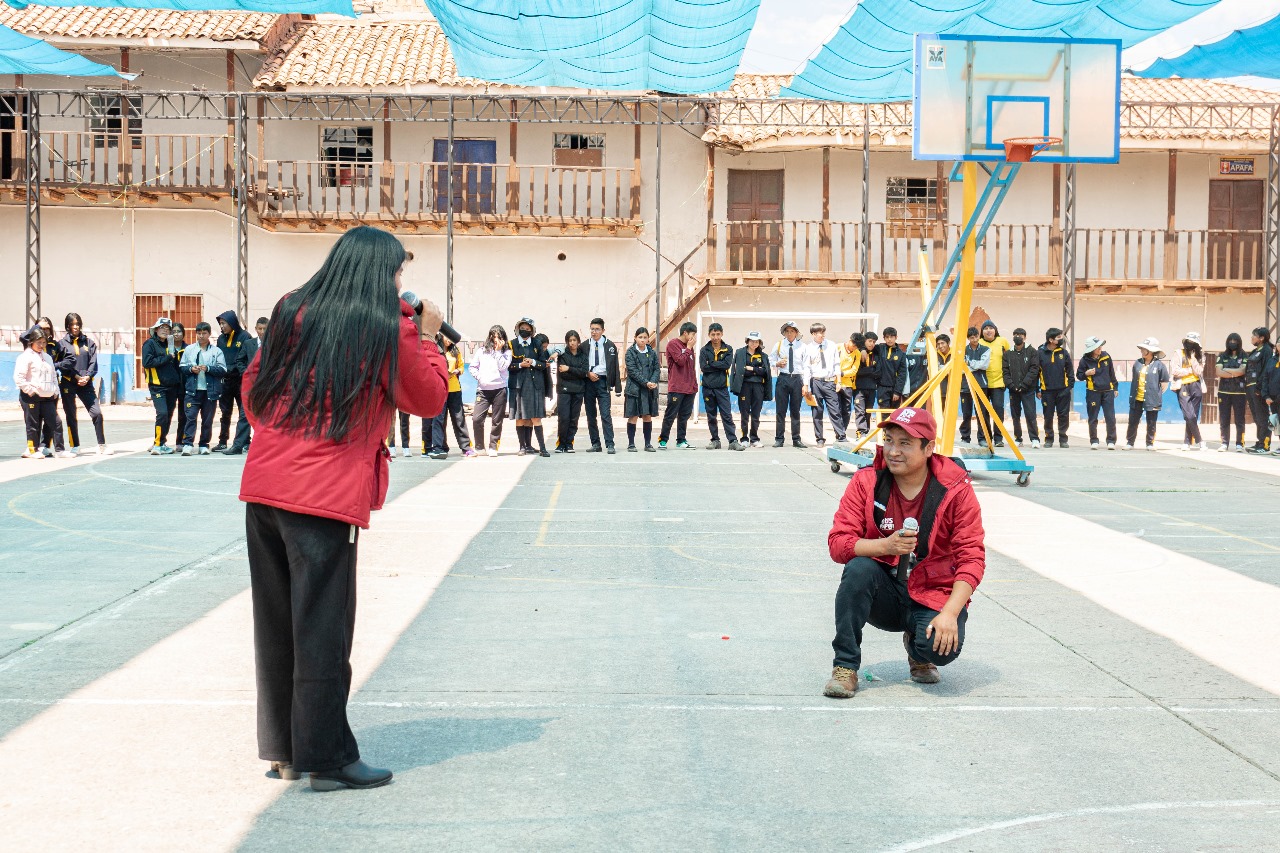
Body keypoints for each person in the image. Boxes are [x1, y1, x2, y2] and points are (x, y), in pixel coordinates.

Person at [240, 225, 448, 792]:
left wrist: (286, 441)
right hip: (324, 498)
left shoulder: (290, 309)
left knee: (278, 624)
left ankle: (285, 749)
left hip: (265, 486)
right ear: (381, 273)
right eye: (398, 271)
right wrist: (426, 335)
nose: (401, 281)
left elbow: (252, 389)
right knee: (323, 632)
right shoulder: (387, 328)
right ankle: (327, 758)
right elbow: (428, 399)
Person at [823, 406, 985, 699]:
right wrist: (884, 547)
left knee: (939, 648)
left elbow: (971, 556)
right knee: (858, 569)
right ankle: (845, 666)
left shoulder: (956, 489)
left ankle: (918, 649)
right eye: (889, 440)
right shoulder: (867, 482)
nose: (893, 451)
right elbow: (838, 542)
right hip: (885, 592)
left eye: (905, 443)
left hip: (932, 590)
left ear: (929, 449)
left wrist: (950, 613)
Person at [55, 313, 110, 456]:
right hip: (68, 382)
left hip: (86, 383)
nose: (75, 326)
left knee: (96, 412)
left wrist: (87, 376)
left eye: (78, 324)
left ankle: (102, 445)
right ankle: (75, 445)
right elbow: (62, 365)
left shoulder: (89, 343)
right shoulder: (61, 344)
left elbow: (93, 363)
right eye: (72, 324)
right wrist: (75, 375)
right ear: (67, 326)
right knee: (71, 414)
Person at [179, 322, 228, 456]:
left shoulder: (216, 351)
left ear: (209, 334)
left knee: (207, 420)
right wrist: (191, 369)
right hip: (192, 390)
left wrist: (209, 368)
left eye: (204, 333)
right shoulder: (189, 349)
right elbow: (182, 367)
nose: (201, 336)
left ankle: (204, 444)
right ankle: (188, 444)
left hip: (210, 391)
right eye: (199, 333)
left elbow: (223, 369)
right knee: (190, 417)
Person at [14, 325, 59, 459]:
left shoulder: (46, 357)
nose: (41, 345)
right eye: (38, 342)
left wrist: (55, 390)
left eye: (44, 342)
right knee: (32, 424)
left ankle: (48, 448)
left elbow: (53, 376)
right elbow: (19, 378)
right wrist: (31, 391)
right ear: (31, 342)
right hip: (30, 396)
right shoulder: (25, 357)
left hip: (45, 396)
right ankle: (31, 450)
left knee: (53, 421)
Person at [225, 317, 269, 456]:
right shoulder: (249, 344)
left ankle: (264, 446)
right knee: (245, 415)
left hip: (268, 387)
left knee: (267, 417)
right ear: (255, 329)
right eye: (260, 329)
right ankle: (238, 445)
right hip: (251, 386)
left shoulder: (275, 344)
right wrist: (248, 374)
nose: (262, 331)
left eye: (265, 329)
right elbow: (240, 360)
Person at [142, 316, 183, 455]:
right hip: (157, 386)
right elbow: (147, 362)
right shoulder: (149, 344)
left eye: (167, 328)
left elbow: (175, 364)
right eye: (162, 327)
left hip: (172, 386)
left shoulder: (170, 345)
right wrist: (167, 357)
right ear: (156, 329)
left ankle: (161, 441)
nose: (165, 330)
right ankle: (158, 445)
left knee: (169, 415)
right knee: (162, 413)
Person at [508, 317, 549, 458]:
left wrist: (533, 362)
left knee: (536, 417)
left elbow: (543, 364)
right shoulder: (511, 344)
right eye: (522, 328)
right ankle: (522, 447)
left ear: (532, 331)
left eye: (527, 329)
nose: (524, 331)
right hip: (519, 385)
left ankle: (543, 448)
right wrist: (520, 365)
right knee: (521, 417)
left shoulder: (537, 344)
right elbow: (507, 365)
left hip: (535, 384)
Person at [428, 334, 473, 460]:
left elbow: (461, 367)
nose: (449, 340)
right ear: (441, 337)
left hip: (454, 389)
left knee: (459, 418)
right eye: (447, 337)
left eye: (451, 338)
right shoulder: (435, 350)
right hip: (440, 389)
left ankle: (466, 447)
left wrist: (456, 372)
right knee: (438, 419)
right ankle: (439, 447)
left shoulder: (455, 350)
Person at [700, 322, 744, 451]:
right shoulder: (704, 350)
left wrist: (711, 363)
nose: (715, 337)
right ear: (709, 335)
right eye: (713, 334)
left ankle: (733, 441)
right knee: (711, 415)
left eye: (718, 334)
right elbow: (704, 367)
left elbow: (726, 365)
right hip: (708, 387)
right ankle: (715, 440)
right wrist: (717, 365)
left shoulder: (728, 349)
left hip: (722, 388)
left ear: (722, 334)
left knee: (726, 415)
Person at [803, 322, 846, 448]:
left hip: (829, 381)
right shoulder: (808, 348)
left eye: (823, 332)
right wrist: (806, 385)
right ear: (813, 334)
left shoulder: (831, 345)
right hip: (815, 381)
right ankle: (820, 438)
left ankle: (841, 436)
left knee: (835, 410)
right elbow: (806, 368)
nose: (821, 335)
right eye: (818, 333)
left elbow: (837, 364)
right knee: (817, 411)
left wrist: (838, 381)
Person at [470, 325, 511, 457]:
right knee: (477, 418)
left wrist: (498, 351)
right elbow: (473, 367)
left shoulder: (507, 353)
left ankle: (493, 446)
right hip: (483, 390)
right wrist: (480, 377)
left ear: (503, 338)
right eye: (493, 336)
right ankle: (479, 447)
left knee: (497, 420)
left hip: (499, 389)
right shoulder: (482, 351)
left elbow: (503, 366)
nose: (496, 339)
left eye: (499, 336)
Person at [583, 318, 621, 455]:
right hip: (588, 381)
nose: (594, 332)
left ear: (603, 330)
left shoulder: (610, 345)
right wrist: (587, 374)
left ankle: (610, 443)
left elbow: (615, 367)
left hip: (603, 382)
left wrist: (617, 387)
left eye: (597, 329)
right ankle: (595, 443)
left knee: (605, 414)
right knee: (591, 414)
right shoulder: (584, 345)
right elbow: (580, 364)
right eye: (592, 329)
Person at [213, 311, 250, 452]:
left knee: (244, 413)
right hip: (226, 381)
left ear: (232, 322)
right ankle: (223, 441)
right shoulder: (221, 339)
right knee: (225, 412)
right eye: (220, 324)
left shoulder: (245, 336)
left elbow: (245, 358)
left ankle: (246, 442)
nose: (221, 326)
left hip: (241, 381)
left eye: (224, 323)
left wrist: (232, 369)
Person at [1125, 337, 1170, 451]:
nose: (1142, 351)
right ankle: (1130, 442)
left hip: (1152, 399)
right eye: (1142, 348)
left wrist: (1156, 394)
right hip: (1137, 397)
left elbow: (1164, 382)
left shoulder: (1159, 365)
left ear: (1151, 351)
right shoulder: (1137, 363)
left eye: (1144, 349)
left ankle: (1149, 443)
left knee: (1151, 422)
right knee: (1133, 421)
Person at [659, 322, 698, 449]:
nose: (694, 338)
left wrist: (694, 385)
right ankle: (663, 440)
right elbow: (680, 361)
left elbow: (691, 367)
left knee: (684, 416)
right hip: (677, 387)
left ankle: (681, 440)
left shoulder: (690, 347)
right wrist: (688, 348)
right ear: (685, 333)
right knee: (670, 414)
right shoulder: (673, 344)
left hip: (690, 388)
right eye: (692, 334)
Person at [1076, 336, 1118, 450]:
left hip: (1108, 392)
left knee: (1110, 417)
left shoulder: (1106, 356)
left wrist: (1115, 387)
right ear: (1091, 349)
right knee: (1093, 417)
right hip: (1093, 392)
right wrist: (1086, 373)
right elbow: (1079, 376)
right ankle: (1094, 440)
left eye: (1100, 346)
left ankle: (1111, 441)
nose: (1100, 348)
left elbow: (1111, 372)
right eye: (1097, 347)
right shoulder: (1084, 360)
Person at [731, 331, 772, 447]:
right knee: (744, 414)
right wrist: (756, 370)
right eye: (752, 341)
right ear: (747, 341)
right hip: (744, 387)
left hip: (759, 387)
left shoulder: (763, 356)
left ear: (759, 343)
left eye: (756, 341)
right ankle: (744, 438)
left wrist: (751, 369)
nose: (754, 343)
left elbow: (765, 371)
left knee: (756, 414)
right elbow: (740, 370)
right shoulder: (740, 353)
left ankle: (754, 438)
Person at [769, 321, 806, 448]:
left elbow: (806, 366)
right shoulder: (779, 345)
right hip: (783, 379)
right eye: (787, 331)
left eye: (792, 331)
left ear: (796, 333)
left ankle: (796, 439)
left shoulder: (802, 346)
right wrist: (777, 363)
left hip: (797, 379)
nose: (789, 333)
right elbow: (770, 359)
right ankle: (779, 438)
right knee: (781, 410)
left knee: (795, 411)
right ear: (784, 333)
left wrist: (805, 384)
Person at [35, 317, 69, 457]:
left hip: (51, 388)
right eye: (41, 328)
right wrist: (36, 327)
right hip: (36, 389)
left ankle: (45, 445)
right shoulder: (31, 344)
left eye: (47, 328)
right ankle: (34, 448)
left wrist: (55, 366)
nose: (44, 331)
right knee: (36, 420)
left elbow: (68, 359)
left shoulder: (55, 345)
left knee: (51, 419)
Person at [1002, 327, 1041, 448]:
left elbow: (1034, 369)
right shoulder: (1008, 353)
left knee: (1030, 414)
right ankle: (1018, 438)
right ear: (1013, 337)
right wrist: (1012, 385)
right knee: (1015, 416)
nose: (1018, 337)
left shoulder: (1032, 351)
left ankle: (1035, 439)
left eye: (1021, 335)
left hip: (1028, 390)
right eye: (1016, 334)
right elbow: (1005, 371)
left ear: (1025, 337)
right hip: (1013, 390)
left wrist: (1024, 385)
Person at [624, 327, 661, 452]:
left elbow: (657, 368)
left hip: (648, 390)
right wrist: (646, 382)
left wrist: (653, 381)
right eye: (640, 337)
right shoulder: (630, 352)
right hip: (634, 389)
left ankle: (648, 444)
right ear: (635, 338)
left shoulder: (652, 352)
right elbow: (632, 371)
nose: (642, 340)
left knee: (647, 416)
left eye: (645, 337)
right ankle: (631, 444)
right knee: (633, 416)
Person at [1038, 327, 1075, 449]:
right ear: (1051, 340)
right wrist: (1037, 389)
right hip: (1047, 392)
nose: (1062, 339)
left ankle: (1063, 439)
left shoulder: (1064, 353)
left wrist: (1069, 387)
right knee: (1048, 416)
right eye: (1059, 337)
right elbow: (1036, 372)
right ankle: (1049, 439)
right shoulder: (1040, 353)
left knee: (1063, 416)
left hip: (1063, 390)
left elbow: (1070, 372)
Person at [555, 330, 589, 453]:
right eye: (570, 340)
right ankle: (561, 444)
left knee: (574, 419)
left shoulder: (583, 356)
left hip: (579, 391)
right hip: (564, 390)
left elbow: (584, 373)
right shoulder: (562, 355)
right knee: (563, 418)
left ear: (578, 341)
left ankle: (569, 443)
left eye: (574, 340)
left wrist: (569, 368)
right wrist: (577, 372)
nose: (572, 343)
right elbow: (563, 375)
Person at [1172, 332, 1206, 452]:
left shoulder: (1200, 355)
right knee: (1189, 414)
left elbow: (1198, 372)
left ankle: (1187, 442)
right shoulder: (1178, 353)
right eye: (1188, 342)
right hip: (1182, 386)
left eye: (1193, 343)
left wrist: (1193, 358)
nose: (1189, 345)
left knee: (1193, 416)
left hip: (1196, 386)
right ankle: (1199, 440)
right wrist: (1188, 370)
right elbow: (1175, 371)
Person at [1215, 333, 1247, 453]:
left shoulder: (1244, 355)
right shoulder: (1222, 355)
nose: (1232, 342)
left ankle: (1240, 443)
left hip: (1240, 392)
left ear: (1239, 342)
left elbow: (1243, 370)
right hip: (1224, 392)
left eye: (1235, 340)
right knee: (1224, 419)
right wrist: (1235, 372)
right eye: (1230, 340)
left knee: (1239, 419)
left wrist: (1227, 371)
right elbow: (1218, 372)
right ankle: (1224, 443)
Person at [978, 320, 1009, 446]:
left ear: (995, 330)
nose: (988, 330)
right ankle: (984, 438)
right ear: (982, 332)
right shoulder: (978, 343)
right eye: (985, 328)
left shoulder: (1003, 342)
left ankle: (998, 439)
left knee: (998, 411)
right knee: (982, 412)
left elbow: (1009, 360)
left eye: (991, 328)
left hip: (998, 383)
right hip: (981, 384)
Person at [959, 327, 989, 446]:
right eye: (972, 337)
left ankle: (982, 438)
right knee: (966, 414)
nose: (975, 339)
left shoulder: (986, 349)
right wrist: (974, 366)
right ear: (968, 339)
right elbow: (961, 368)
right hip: (965, 385)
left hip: (981, 385)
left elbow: (984, 365)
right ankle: (965, 437)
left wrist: (969, 364)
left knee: (981, 413)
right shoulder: (963, 350)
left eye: (976, 336)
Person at [1244, 328, 1273, 454]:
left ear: (1261, 338)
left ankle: (1265, 444)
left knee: (1262, 416)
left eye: (1254, 336)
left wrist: (1259, 387)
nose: (1251, 338)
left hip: (1258, 388)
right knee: (1256, 416)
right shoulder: (1255, 351)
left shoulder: (1267, 350)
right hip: (1250, 386)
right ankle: (1259, 441)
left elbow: (1266, 370)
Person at [853, 331, 879, 436]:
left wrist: (870, 370)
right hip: (859, 387)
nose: (871, 344)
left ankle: (866, 431)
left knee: (868, 411)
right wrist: (871, 370)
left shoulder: (877, 353)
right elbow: (857, 371)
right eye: (869, 341)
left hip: (872, 388)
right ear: (864, 341)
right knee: (860, 410)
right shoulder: (858, 352)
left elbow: (879, 371)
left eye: (873, 341)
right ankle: (860, 431)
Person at [894, 330, 928, 407]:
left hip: (922, 391)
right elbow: (902, 374)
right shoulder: (907, 354)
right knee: (908, 415)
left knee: (920, 415)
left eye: (921, 338)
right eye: (916, 337)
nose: (919, 340)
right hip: (908, 392)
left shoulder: (928, 354)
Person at [838, 333, 863, 432]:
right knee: (836, 409)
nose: (854, 347)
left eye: (857, 346)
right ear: (849, 340)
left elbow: (854, 370)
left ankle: (843, 431)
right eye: (853, 344)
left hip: (848, 385)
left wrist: (841, 373)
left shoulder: (857, 353)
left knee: (846, 410)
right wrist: (836, 375)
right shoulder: (838, 347)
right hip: (835, 383)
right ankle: (838, 430)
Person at [875, 327, 903, 411]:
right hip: (882, 388)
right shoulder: (879, 348)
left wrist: (897, 392)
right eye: (887, 337)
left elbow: (902, 374)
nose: (889, 339)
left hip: (894, 389)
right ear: (884, 338)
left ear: (896, 337)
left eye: (892, 337)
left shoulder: (901, 354)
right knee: (884, 414)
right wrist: (863, 350)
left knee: (894, 414)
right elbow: (868, 346)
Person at [172, 323, 191, 446]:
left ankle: (181, 441)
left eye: (179, 331)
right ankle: (160, 442)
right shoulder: (167, 349)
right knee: (166, 414)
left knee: (183, 415)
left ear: (183, 333)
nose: (176, 334)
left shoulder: (189, 349)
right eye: (173, 331)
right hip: (170, 385)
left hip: (184, 385)